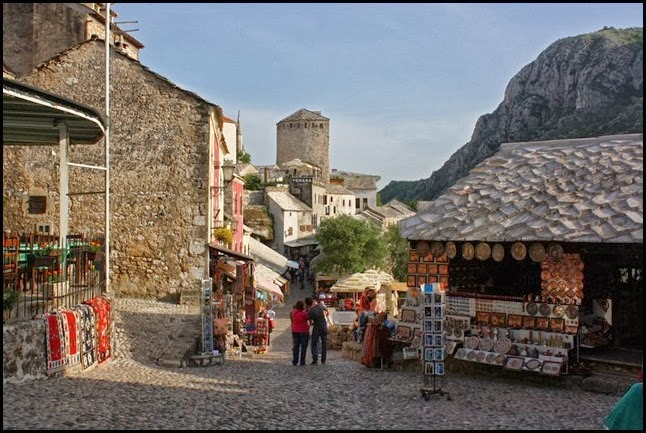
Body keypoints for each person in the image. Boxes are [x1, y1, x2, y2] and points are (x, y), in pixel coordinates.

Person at [305, 297, 329, 365]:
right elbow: (327, 312)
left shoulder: (311, 310)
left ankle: (315, 360)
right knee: (324, 344)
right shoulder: (322, 306)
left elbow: (309, 319)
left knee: (314, 343)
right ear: (314, 301)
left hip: (317, 327)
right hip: (324, 327)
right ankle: (323, 360)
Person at [290, 300, 310, 366]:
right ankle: (302, 361)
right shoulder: (304, 313)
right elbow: (307, 318)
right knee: (303, 347)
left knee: (296, 346)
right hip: (303, 331)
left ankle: (295, 361)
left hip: (295, 331)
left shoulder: (293, 312)